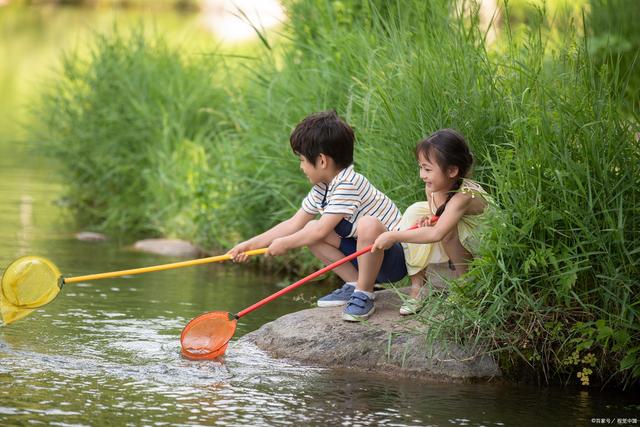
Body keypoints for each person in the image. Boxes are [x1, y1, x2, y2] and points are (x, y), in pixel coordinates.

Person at [229, 110, 407, 321]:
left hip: (393, 259)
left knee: (365, 225)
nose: (301, 166)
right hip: (362, 256)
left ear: (322, 160)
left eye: (303, 160)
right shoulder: (323, 188)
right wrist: (249, 245)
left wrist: (285, 244)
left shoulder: (348, 183)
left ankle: (365, 293)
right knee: (309, 230)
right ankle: (353, 284)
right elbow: (294, 223)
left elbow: (322, 230)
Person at [371, 129, 490, 315]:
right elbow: (438, 216)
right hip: (457, 228)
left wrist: (393, 236)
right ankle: (418, 287)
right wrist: (431, 218)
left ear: (452, 170)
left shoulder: (464, 195)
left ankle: (464, 282)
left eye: (427, 169)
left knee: (447, 230)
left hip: (484, 236)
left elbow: (438, 233)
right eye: (420, 167)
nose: (421, 175)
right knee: (413, 213)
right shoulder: (432, 189)